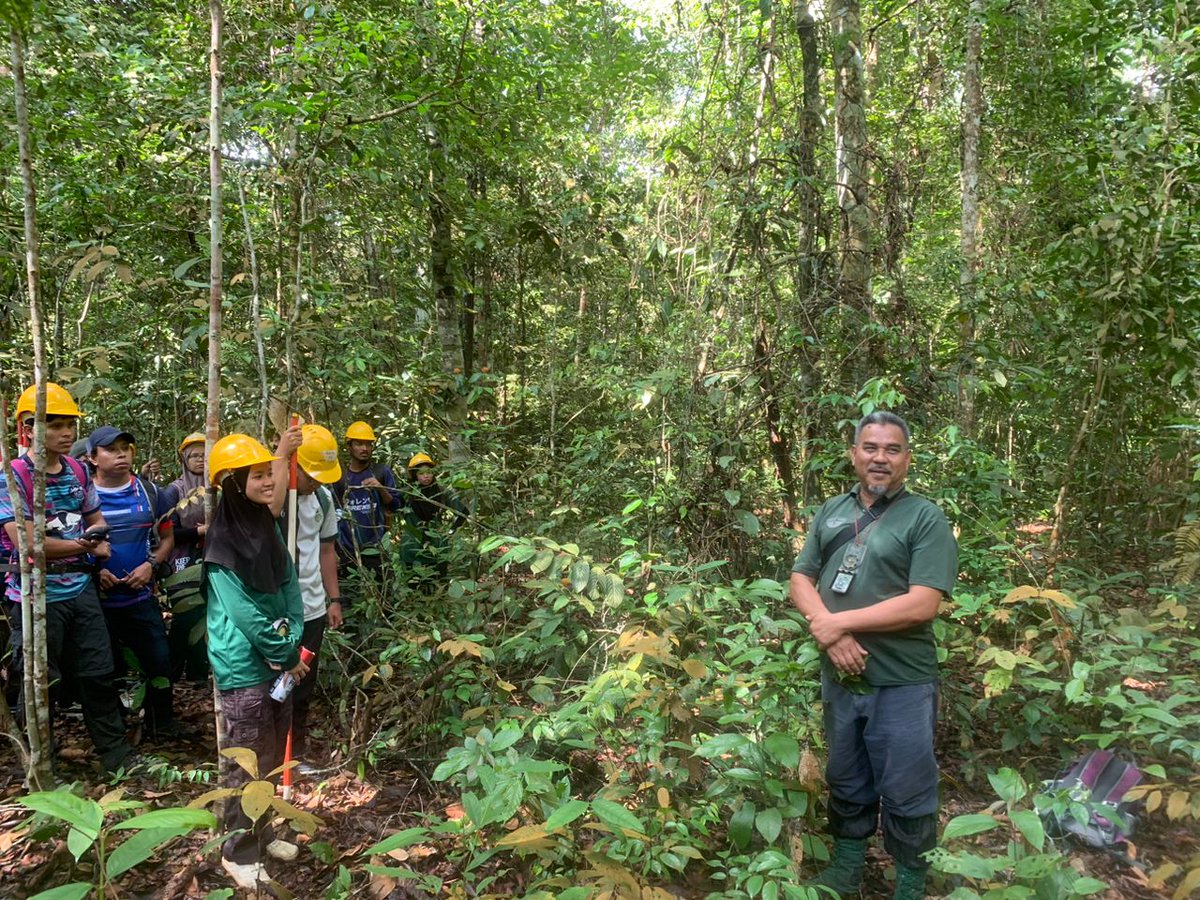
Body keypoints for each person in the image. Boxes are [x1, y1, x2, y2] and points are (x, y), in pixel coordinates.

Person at [789, 411, 958, 900]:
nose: (879, 458)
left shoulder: (924, 517)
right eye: (870, 447)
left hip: (902, 679)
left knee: (908, 787)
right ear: (854, 454)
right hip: (839, 678)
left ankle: (909, 884)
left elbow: (923, 603)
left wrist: (837, 623)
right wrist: (831, 636)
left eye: (891, 449)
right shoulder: (832, 510)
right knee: (846, 776)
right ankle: (847, 872)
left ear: (906, 458)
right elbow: (802, 577)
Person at [0, 383, 139, 773]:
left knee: (99, 672)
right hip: (35, 595)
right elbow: (27, 542)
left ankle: (116, 757)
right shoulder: (13, 476)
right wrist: (86, 546)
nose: (67, 434)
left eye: (70, 426)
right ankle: (39, 763)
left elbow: (96, 517)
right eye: (56, 425)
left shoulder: (78, 469)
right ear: (29, 427)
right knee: (39, 681)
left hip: (80, 588)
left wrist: (93, 539)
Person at [203, 433, 307, 889]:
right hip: (244, 667)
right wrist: (285, 651)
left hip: (279, 661)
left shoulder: (265, 527)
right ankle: (238, 850)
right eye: (259, 475)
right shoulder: (222, 546)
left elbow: (289, 586)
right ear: (233, 483)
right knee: (245, 759)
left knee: (269, 754)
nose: (269, 481)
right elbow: (243, 612)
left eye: (269, 473)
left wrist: (295, 634)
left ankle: (262, 835)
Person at [85, 425, 181, 739]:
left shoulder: (152, 492)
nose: (121, 454)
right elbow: (71, 541)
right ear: (92, 457)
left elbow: (166, 538)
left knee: (159, 661)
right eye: (112, 449)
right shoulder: (82, 495)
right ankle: (111, 731)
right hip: (98, 604)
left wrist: (151, 566)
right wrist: (95, 570)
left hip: (141, 598)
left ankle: (160, 724)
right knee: (103, 669)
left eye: (125, 447)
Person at [269, 423, 343, 773]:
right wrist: (281, 455)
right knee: (268, 683)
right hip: (275, 607)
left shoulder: (323, 498)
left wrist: (334, 599)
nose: (316, 482)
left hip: (311, 607)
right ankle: (264, 756)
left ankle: (292, 756)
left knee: (301, 685)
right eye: (311, 474)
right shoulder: (271, 491)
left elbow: (327, 551)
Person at [161, 433, 209, 682]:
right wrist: (198, 531)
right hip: (182, 559)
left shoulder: (217, 487)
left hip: (210, 556)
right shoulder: (175, 490)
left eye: (204, 454)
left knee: (205, 614)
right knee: (184, 615)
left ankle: (198, 673)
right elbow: (165, 532)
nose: (200, 460)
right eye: (194, 456)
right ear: (184, 459)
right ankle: (173, 671)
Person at [331, 421, 400, 576]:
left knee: (385, 594)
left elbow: (396, 505)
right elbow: (333, 514)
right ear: (349, 446)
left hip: (377, 548)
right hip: (347, 550)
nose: (365, 449)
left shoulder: (381, 472)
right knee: (349, 595)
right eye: (359, 444)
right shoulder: (340, 476)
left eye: (368, 444)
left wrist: (381, 489)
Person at [400, 452, 467, 578]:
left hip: (437, 543)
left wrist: (451, 531)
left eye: (429, 472)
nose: (426, 476)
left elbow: (463, 512)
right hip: (412, 545)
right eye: (421, 473)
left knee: (439, 581)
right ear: (414, 475)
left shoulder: (441, 491)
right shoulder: (406, 493)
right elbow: (390, 507)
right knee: (413, 583)